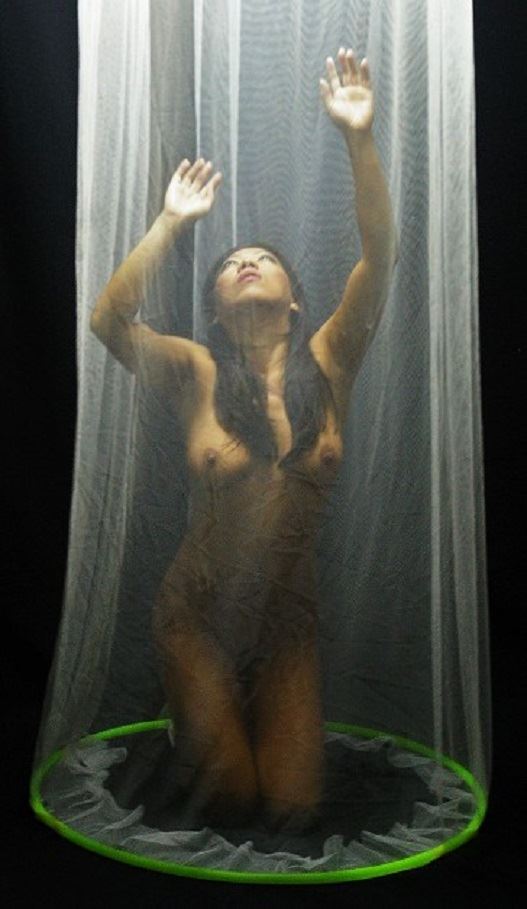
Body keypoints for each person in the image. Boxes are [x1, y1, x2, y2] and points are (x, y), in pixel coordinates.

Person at [90, 48, 397, 833]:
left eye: (262, 259)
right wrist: (171, 222)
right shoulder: (194, 369)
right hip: (195, 613)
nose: (248, 263)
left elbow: (379, 256)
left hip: (287, 621)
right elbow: (108, 321)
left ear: (295, 302)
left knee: (292, 807)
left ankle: (229, 719)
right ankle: (202, 716)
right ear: (217, 310)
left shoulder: (330, 356)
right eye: (232, 264)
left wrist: (358, 138)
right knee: (226, 796)